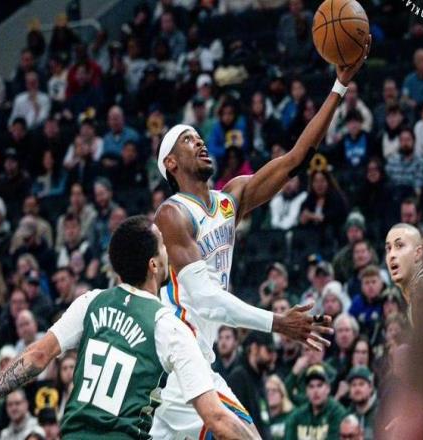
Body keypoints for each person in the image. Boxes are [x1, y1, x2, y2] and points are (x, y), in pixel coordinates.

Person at [150, 40, 370, 438]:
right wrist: (277, 322)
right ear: (170, 163)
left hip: (193, 360)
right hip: (177, 354)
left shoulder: (230, 199)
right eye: (188, 139)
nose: (200, 142)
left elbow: (295, 159)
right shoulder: (173, 213)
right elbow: (206, 299)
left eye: (200, 137)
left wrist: (339, 86)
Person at [0, 216, 258, 439]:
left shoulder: (90, 302)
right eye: (162, 244)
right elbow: (216, 418)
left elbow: (36, 356)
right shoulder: (168, 327)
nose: (167, 249)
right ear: (154, 265)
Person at [229, 332, 275, 439]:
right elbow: (236, 423)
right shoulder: (239, 378)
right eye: (269, 350)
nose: (272, 356)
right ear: (254, 348)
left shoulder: (259, 378)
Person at [285, 364, 347, 440]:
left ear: (328, 388)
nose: (315, 391)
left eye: (319, 385)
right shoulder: (297, 416)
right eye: (311, 386)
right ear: (306, 391)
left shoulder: (338, 413)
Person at [385, 223, 423, 326]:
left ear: (417, 253)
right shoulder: (414, 292)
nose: (392, 255)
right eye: (388, 248)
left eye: (399, 246)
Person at [386, 127, 423, 201]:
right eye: (402, 140)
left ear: (414, 141)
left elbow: (418, 188)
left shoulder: (421, 162)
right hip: (393, 198)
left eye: (408, 139)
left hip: (411, 200)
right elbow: (387, 182)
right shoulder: (392, 161)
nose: (405, 143)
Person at [346, 366, 379, 440]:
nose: (357, 389)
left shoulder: (382, 413)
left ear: (370, 387)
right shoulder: (348, 415)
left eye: (361, 384)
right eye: (353, 385)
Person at [265, 375, 294, 440]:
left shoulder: (292, 416)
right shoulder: (262, 417)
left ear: (282, 394)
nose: (270, 393)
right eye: (267, 391)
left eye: (274, 390)